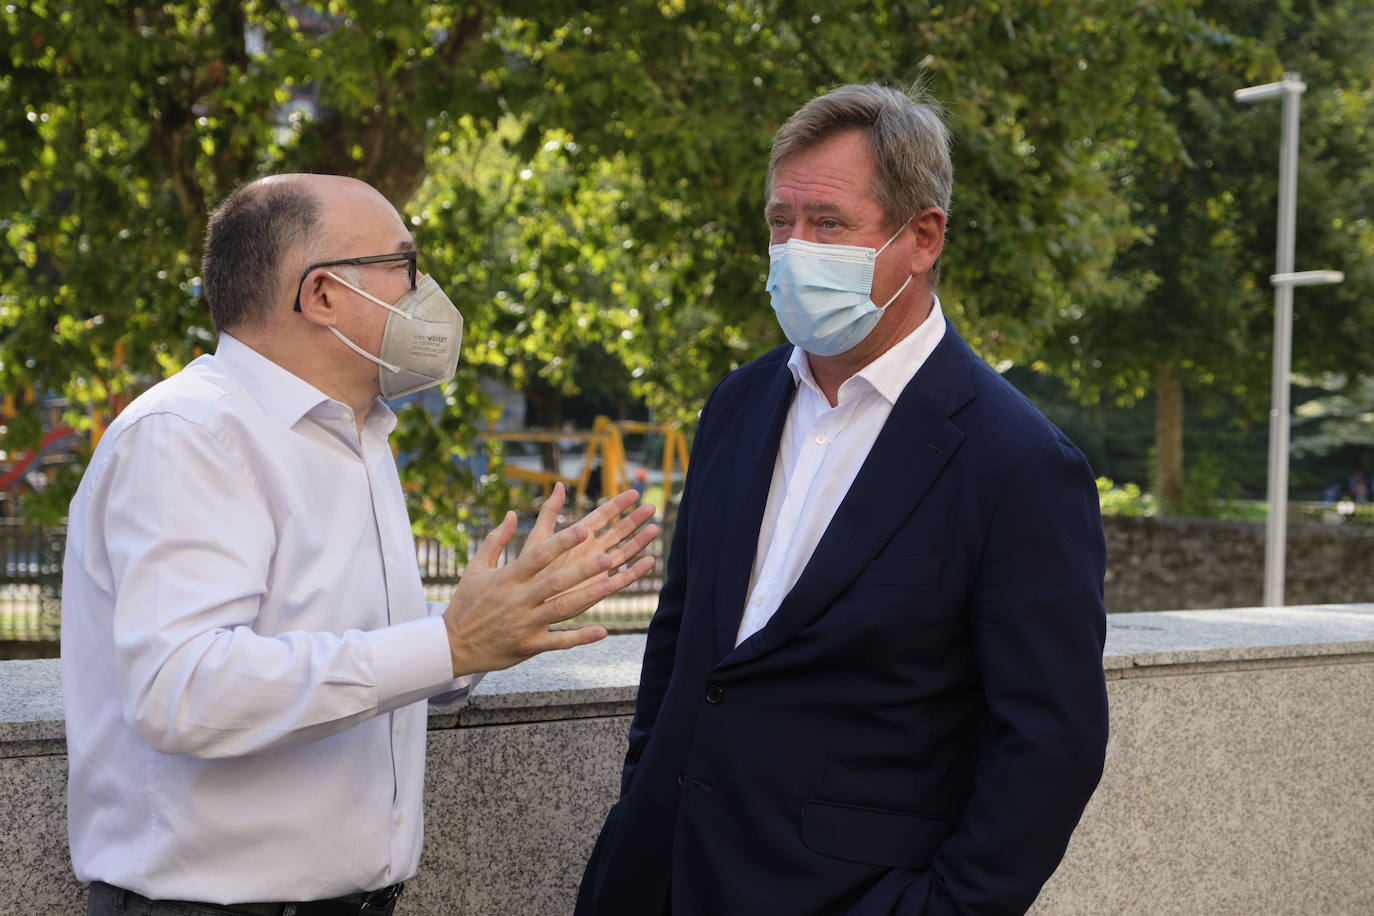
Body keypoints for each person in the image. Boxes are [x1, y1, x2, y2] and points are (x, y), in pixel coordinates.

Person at [576, 84, 1109, 915]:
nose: (795, 249)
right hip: (651, 881)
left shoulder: (1019, 464)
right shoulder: (737, 405)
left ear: (922, 237)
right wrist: (642, 795)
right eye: (779, 221)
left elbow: (1051, 743)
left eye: (827, 224)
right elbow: (682, 646)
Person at [61, 173, 658, 915]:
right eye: (404, 265)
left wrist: (485, 630)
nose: (424, 291)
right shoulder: (190, 434)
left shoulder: (356, 432)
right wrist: (447, 644)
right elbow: (183, 690)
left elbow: (351, 645)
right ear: (321, 294)